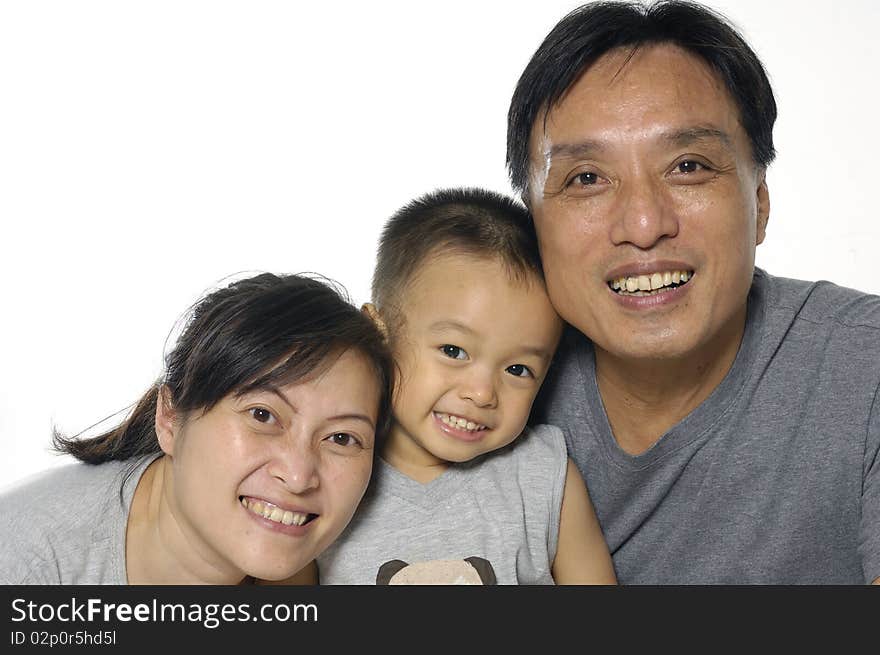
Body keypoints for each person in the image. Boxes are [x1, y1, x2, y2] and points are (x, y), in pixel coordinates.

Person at [505, 0, 880, 584]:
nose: (644, 224)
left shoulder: (866, 368)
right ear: (531, 226)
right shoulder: (465, 387)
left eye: (688, 166)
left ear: (759, 203)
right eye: (586, 179)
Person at [288, 187, 616, 585]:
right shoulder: (325, 474)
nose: (481, 393)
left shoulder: (543, 477)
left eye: (517, 369)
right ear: (379, 334)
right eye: (453, 350)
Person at [0, 272, 393, 584]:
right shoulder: (28, 559)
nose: (298, 475)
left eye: (341, 438)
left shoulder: (361, 553)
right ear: (170, 418)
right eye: (262, 415)